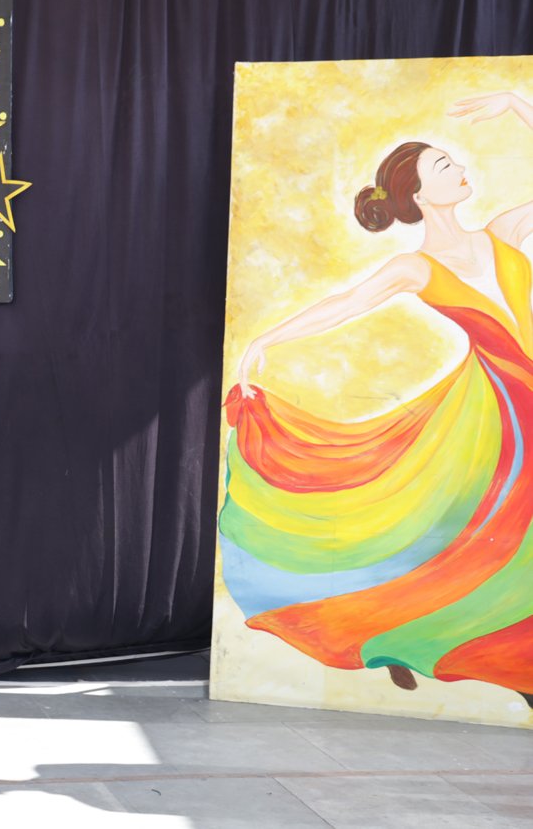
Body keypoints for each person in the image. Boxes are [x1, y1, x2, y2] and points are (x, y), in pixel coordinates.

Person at [223, 92, 533, 707]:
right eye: (444, 165)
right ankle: (420, 640)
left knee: (497, 537)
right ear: (418, 194)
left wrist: (520, 103)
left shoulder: (503, 231)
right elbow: (344, 305)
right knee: (475, 536)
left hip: (511, 399)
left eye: (454, 161)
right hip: (505, 410)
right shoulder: (415, 268)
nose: (461, 167)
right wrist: (263, 339)